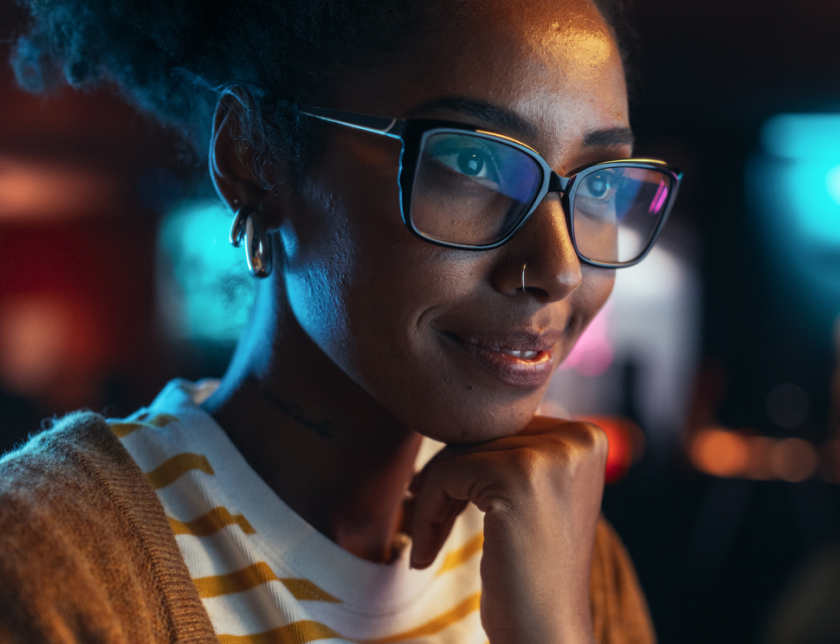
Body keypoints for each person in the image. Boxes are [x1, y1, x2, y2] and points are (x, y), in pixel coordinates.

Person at [0, 0, 681, 642]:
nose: (558, 269)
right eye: (472, 162)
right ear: (255, 160)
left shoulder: (566, 553)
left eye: (597, 182)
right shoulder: (49, 563)